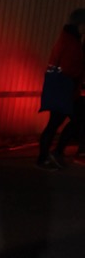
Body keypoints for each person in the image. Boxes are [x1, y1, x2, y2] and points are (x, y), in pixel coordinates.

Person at [36, 9, 85, 167]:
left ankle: (50, 155)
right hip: (64, 90)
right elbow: (70, 67)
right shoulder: (71, 42)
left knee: (62, 122)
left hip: (63, 90)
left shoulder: (69, 39)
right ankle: (46, 156)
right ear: (80, 25)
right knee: (60, 122)